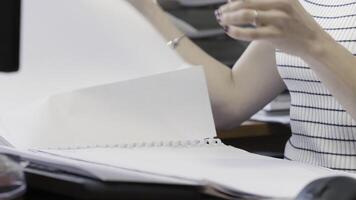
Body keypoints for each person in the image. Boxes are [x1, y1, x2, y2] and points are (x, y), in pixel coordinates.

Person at [127, 0, 356, 172]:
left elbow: (312, 42)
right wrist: (148, 10)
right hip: (302, 189)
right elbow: (232, 102)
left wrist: (312, 43)